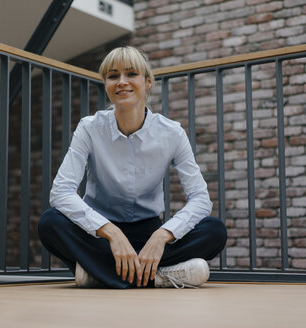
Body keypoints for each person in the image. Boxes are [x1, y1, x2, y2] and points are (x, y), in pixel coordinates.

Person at [38, 46, 227, 289]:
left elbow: (200, 199)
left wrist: (162, 236)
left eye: (131, 74)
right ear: (106, 84)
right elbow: (61, 192)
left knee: (215, 231)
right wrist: (111, 233)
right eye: (113, 76)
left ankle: (99, 273)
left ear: (148, 82)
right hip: (100, 234)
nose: (122, 82)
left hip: (149, 230)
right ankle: (158, 277)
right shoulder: (89, 128)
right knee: (50, 222)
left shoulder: (172, 133)